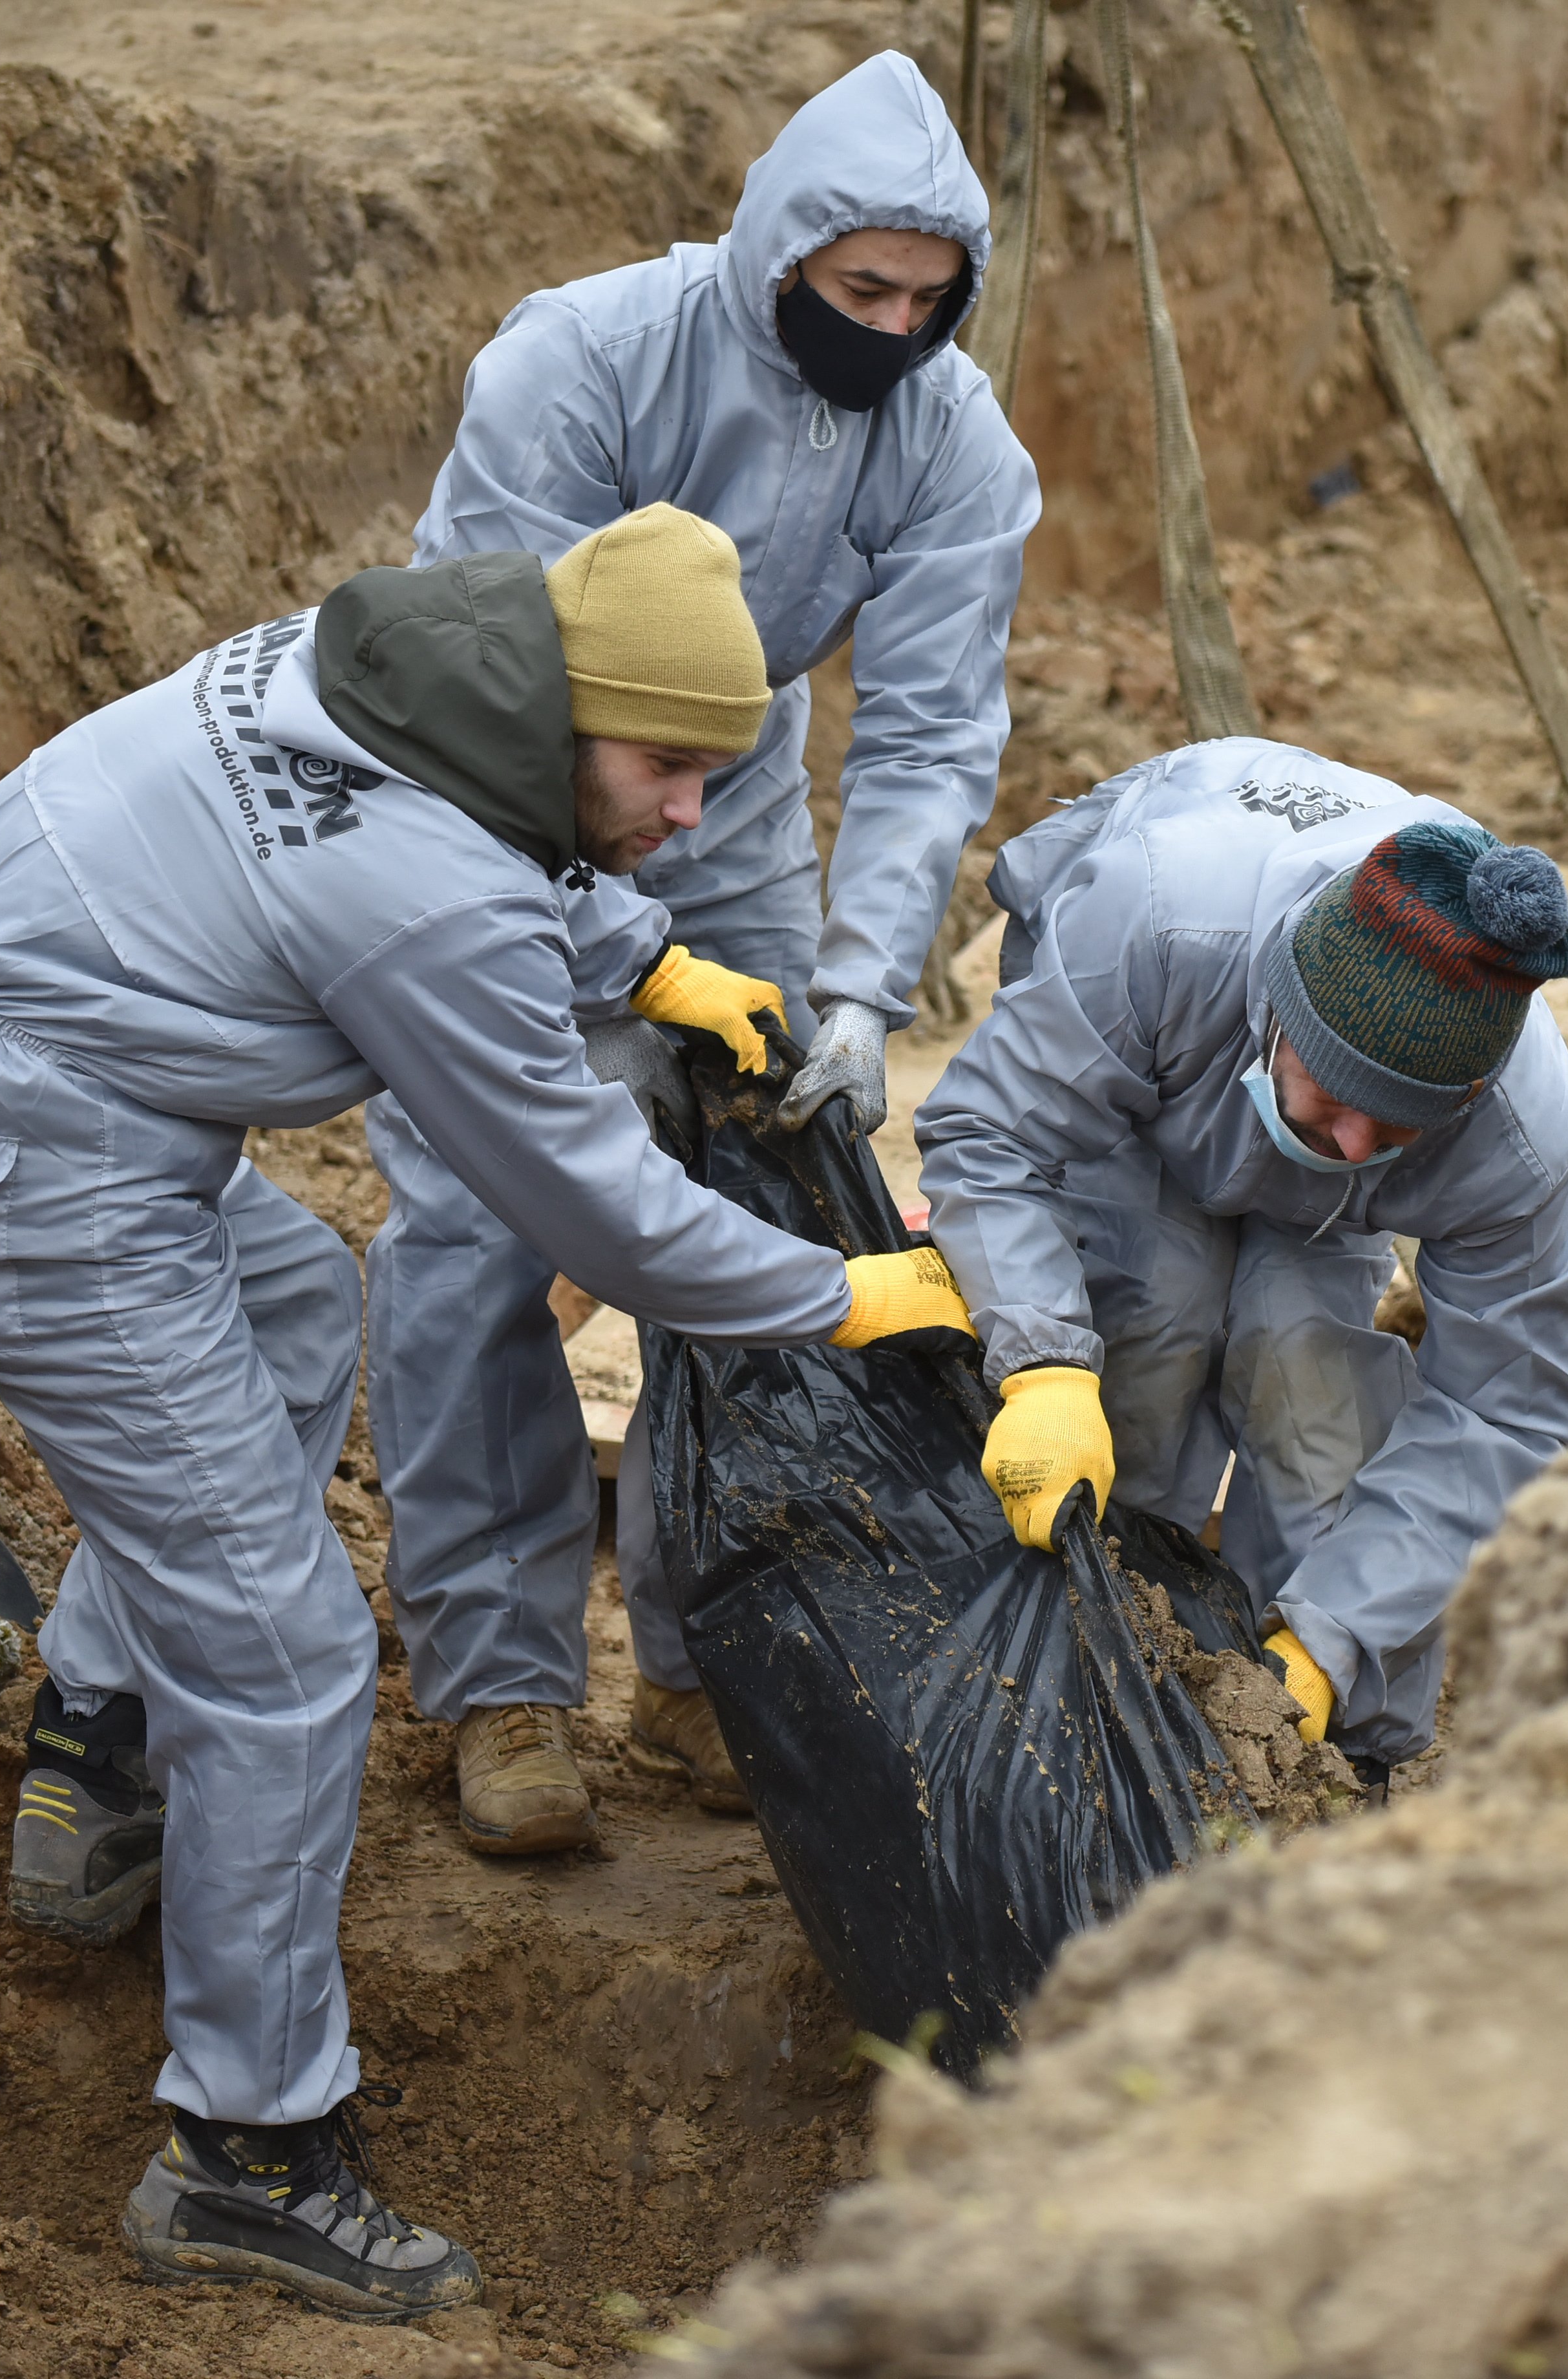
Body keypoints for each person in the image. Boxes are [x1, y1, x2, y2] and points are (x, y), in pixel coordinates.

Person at [0, 504, 972, 2320]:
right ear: (573, 707)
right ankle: (250, 2154)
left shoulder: (409, 675)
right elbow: (595, 1210)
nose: (690, 813)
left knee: (290, 1303)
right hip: (13, 1154)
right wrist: (845, 1294)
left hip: (9, 1044)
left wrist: (645, 958)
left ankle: (100, 1746)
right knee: (283, 1658)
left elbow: (515, 849)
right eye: (669, 769)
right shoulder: (424, 889)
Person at [366, 48, 1037, 1853]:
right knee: (485, 1218)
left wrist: (855, 990)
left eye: (927, 300)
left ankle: (693, 1661)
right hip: (509, 818)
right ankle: (504, 1685)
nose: (893, 329)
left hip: (730, 829)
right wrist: (618, 957)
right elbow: (501, 703)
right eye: (859, 291)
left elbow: (922, 734)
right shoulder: (585, 362)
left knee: (762, 1214)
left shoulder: (953, 436)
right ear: (780, 256)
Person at [915, 740, 1568, 1767]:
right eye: (1342, 1097)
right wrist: (1045, 1366)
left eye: (1402, 1129)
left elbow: (1502, 1410)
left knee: (1310, 1389)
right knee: (1148, 1326)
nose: (1359, 1147)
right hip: (1147, 1086)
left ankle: (1329, 1753)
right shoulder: (1152, 918)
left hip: (1300, 1162)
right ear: (1282, 1005)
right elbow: (995, 1137)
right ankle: (1074, 1697)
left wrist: (1335, 1646)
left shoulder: (1519, 1137)